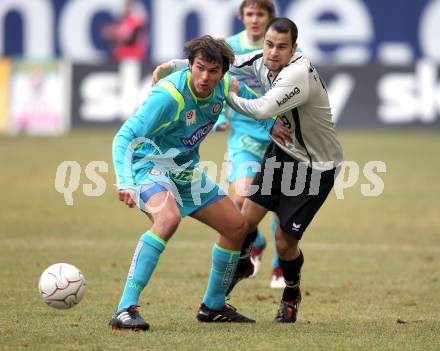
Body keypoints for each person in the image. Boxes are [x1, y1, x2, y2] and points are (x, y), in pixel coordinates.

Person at [110, 35, 260, 331]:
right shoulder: (168, 97)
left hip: (184, 171)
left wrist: (274, 124)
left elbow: (256, 106)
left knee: (237, 227)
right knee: (167, 218)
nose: (205, 77)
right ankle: (125, 309)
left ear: (222, 72)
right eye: (199, 68)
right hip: (147, 165)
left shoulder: (224, 87)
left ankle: (213, 305)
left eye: (213, 71)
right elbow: (124, 136)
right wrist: (124, 182)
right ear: (190, 65)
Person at [224, 17, 344, 324]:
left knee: (284, 241)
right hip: (283, 152)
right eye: (268, 44)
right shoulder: (259, 59)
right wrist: (174, 67)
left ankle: (291, 293)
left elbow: (263, 109)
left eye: (282, 47)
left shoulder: (298, 74)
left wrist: (229, 95)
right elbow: (224, 60)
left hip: (316, 166)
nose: (273, 52)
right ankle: (243, 263)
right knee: (243, 220)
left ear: (294, 49)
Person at [213, 0, 285, 289]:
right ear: (241, 16)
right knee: (241, 198)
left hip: (278, 133)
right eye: (250, 14)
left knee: (281, 204)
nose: (255, 19)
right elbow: (219, 80)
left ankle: (280, 269)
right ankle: (255, 238)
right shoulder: (228, 48)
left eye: (261, 14)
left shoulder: (286, 49)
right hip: (244, 132)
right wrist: (219, 115)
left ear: (270, 17)